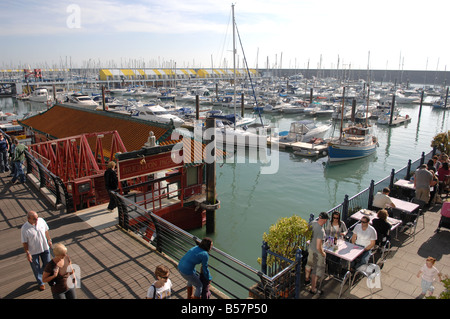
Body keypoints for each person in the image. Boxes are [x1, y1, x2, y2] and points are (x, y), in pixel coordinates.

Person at [20, 211, 53, 291]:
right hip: (33, 251)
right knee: (36, 267)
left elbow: (46, 231)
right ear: (29, 219)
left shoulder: (41, 221)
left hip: (44, 247)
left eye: (37, 217)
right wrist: (28, 253)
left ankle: (40, 274)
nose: (37, 220)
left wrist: (49, 239)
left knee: (47, 263)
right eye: (34, 219)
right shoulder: (24, 228)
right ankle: (41, 282)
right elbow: (24, 242)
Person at [304, 212, 329, 295]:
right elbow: (319, 246)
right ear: (325, 220)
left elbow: (307, 231)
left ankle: (306, 280)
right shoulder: (321, 231)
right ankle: (313, 289)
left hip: (310, 248)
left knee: (308, 264)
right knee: (316, 271)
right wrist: (323, 254)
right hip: (317, 253)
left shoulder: (313, 223)